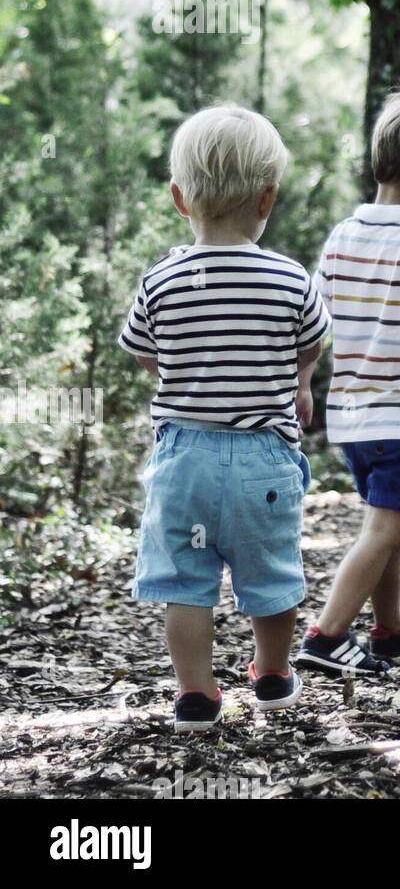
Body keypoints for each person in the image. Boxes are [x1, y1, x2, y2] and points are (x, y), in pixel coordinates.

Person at [120, 105, 328, 731]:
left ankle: (196, 693)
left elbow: (142, 350)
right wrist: (300, 381)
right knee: (272, 572)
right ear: (268, 198)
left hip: (185, 459)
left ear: (179, 199)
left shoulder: (163, 278)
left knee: (184, 580)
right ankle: (270, 672)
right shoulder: (290, 277)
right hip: (262, 457)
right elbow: (313, 339)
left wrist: (184, 376)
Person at [297, 86, 400, 677]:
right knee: (383, 528)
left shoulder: (344, 234)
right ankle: (326, 635)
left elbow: (312, 319)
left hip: (350, 417)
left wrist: (304, 381)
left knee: (384, 519)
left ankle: (390, 629)